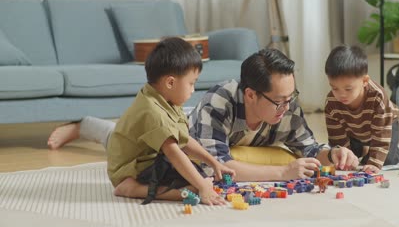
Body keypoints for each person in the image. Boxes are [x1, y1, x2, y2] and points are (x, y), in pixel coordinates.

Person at [48, 48, 359, 182]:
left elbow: (308, 146)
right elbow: (220, 166)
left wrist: (334, 154)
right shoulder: (220, 101)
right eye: (278, 101)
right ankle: (84, 125)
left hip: (207, 129)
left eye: (290, 98)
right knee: (120, 137)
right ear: (250, 94)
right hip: (182, 127)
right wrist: (281, 173)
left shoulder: (285, 104)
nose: (287, 107)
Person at [62, 37, 235, 205]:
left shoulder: (167, 100)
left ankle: (186, 185)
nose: (193, 90)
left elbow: (184, 139)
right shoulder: (153, 112)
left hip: (151, 160)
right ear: (170, 83)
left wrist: (213, 163)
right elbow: (174, 153)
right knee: (195, 185)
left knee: (201, 177)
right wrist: (202, 187)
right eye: (191, 83)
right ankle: (132, 188)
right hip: (131, 169)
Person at [324, 45, 399, 173]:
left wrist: (373, 163)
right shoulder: (332, 101)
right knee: (347, 156)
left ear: (364, 81)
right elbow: (336, 136)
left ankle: (386, 149)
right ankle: (365, 149)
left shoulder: (377, 96)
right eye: (335, 88)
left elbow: (381, 133)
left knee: (385, 158)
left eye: (348, 89)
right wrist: (343, 158)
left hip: (386, 124)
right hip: (354, 129)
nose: (341, 94)